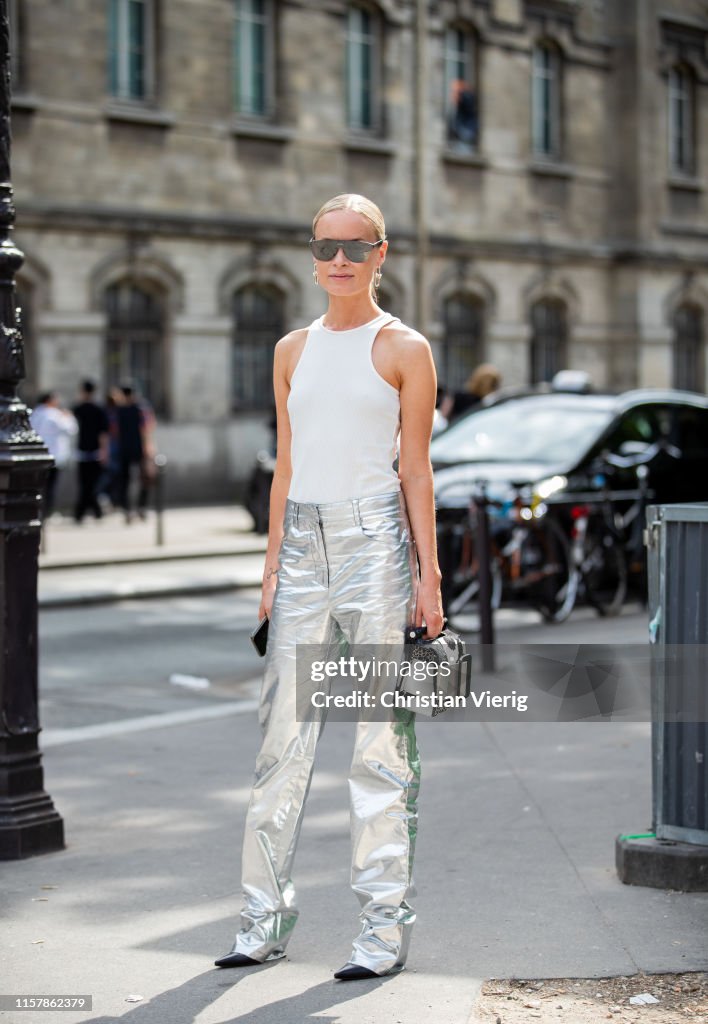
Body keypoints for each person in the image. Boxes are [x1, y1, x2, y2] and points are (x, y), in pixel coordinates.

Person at [214, 194, 444, 981]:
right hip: (304, 545)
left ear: (383, 253)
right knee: (281, 741)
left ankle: (382, 932)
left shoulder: (404, 348)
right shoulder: (291, 349)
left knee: (379, 742)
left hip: (376, 541)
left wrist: (429, 577)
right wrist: (273, 569)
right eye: (325, 246)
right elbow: (287, 463)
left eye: (355, 245)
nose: (338, 259)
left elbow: (416, 469)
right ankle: (261, 919)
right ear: (312, 256)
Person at [29, 392, 77, 519]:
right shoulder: (54, 415)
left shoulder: (34, 414)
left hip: (37, 456)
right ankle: (47, 512)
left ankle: (38, 511)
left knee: (39, 486)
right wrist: (68, 416)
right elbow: (71, 429)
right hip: (53, 456)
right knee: (50, 487)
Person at [72, 379, 109, 523]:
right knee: (91, 484)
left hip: (83, 450)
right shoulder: (98, 409)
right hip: (94, 451)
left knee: (86, 484)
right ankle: (93, 511)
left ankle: (82, 512)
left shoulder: (77, 409)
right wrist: (104, 450)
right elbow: (103, 433)